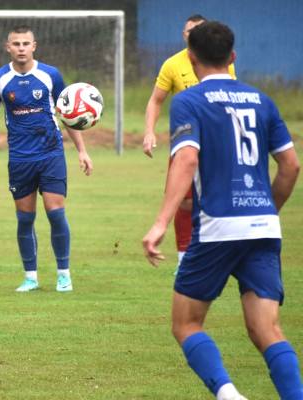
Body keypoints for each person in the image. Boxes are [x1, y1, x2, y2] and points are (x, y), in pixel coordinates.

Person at [142, 21, 302, 400]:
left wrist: (161, 222)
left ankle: (228, 395)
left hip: (218, 227)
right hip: (263, 227)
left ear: (191, 58)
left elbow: (186, 160)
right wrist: (268, 210)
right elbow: (291, 165)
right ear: (232, 57)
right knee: (267, 330)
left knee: (186, 324)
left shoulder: (189, 100)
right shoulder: (263, 100)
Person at [0, 25, 92, 293]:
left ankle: (64, 274)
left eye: (25, 43)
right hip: (19, 158)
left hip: (51, 154)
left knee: (56, 213)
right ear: (8, 47)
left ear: (34, 46)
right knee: (25, 219)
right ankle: (31, 277)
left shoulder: (51, 75)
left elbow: (68, 115)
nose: (20, 48)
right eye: (15, 44)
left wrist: (82, 151)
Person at [142, 15, 236, 269]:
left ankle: (218, 251)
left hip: (216, 142)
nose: (193, 34)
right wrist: (149, 132)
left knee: (220, 195)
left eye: (199, 29)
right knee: (181, 200)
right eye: (189, 30)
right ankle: (184, 257)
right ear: (184, 35)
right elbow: (156, 100)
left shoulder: (220, 62)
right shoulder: (172, 65)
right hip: (185, 141)